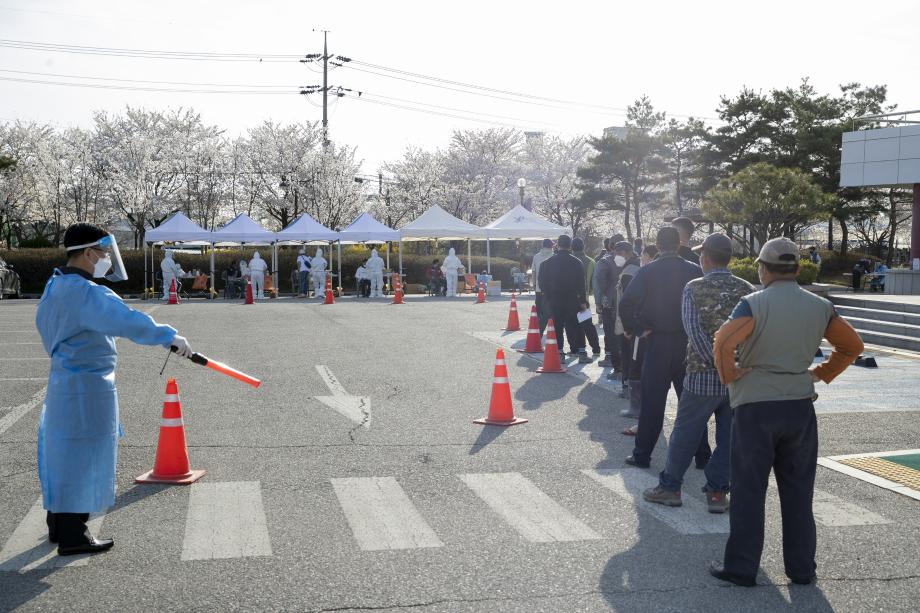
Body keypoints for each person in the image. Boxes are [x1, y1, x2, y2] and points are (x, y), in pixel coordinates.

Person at [709, 237, 863, 587]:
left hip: (755, 407)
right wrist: (821, 373)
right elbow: (852, 346)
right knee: (798, 492)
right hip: (799, 406)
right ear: (796, 268)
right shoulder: (820, 305)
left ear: (763, 269)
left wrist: (730, 375)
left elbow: (723, 342)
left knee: (749, 489)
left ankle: (742, 567)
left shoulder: (752, 303)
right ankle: (802, 569)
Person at [36, 223, 193, 556]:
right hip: (89, 385)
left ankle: (58, 523)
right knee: (85, 457)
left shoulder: (55, 285)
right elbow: (127, 320)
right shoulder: (86, 293)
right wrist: (169, 337)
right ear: (90, 252)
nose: (105, 258)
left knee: (63, 455)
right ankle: (73, 534)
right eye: (103, 252)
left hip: (64, 381)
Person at [642, 234, 754, 513]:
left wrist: (718, 363)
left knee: (686, 433)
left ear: (704, 258)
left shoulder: (694, 288)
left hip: (702, 375)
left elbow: (694, 331)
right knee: (730, 437)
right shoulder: (747, 289)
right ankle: (717, 492)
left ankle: (670, 488)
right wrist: (734, 366)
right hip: (739, 378)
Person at [618, 227, 707, 469]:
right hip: (688, 342)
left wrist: (635, 328)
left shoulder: (648, 271)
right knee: (691, 404)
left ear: (657, 246)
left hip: (656, 341)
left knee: (652, 405)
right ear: (679, 245)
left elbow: (626, 302)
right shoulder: (694, 270)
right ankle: (702, 456)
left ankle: (642, 455)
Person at [538, 234, 586, 359]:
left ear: (557, 245)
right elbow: (582, 284)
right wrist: (582, 300)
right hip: (572, 299)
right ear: (570, 246)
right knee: (576, 324)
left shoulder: (546, 263)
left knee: (557, 325)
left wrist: (548, 295)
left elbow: (542, 282)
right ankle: (581, 351)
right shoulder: (577, 262)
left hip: (555, 298)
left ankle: (559, 351)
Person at [611, 241, 642, 403]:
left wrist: (627, 327)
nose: (615, 257)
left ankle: (628, 387)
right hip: (632, 321)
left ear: (626, 253)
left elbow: (628, 301)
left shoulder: (630, 271)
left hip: (627, 323)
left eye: (617, 253)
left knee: (628, 355)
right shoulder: (636, 266)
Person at [595, 234, 625, 369]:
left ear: (610, 245)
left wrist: (599, 301)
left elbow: (599, 283)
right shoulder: (634, 259)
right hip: (629, 302)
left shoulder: (605, 261)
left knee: (611, 333)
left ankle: (613, 361)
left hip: (610, 302)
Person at [572, 237, 601, 362]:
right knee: (588, 325)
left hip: (570, 299)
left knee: (574, 326)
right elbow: (594, 283)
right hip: (584, 298)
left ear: (572, 247)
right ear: (583, 247)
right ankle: (596, 348)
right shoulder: (591, 261)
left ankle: (579, 349)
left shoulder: (570, 260)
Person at [532, 239, 554, 334]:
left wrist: (534, 285)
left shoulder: (536, 257)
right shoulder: (554, 256)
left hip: (539, 288)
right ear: (552, 246)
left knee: (539, 309)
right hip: (552, 289)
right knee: (551, 309)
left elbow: (533, 272)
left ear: (542, 245)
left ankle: (538, 329)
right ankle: (551, 329)